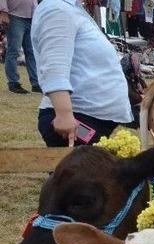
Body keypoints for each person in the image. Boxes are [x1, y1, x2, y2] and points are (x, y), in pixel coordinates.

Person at [31, 0, 132, 147]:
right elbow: (54, 66)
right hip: (75, 121)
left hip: (86, 118)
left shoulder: (73, 9)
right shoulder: (57, 9)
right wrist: (64, 114)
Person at [1, 0, 40, 94]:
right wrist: (3, 12)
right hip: (14, 16)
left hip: (32, 17)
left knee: (31, 52)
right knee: (14, 51)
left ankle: (36, 83)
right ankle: (13, 83)